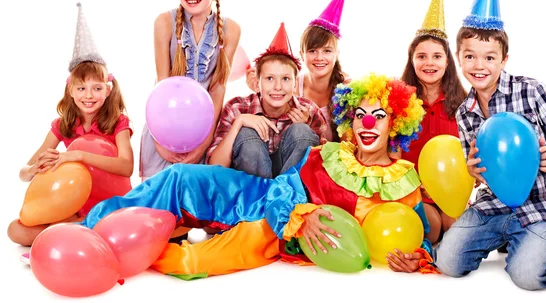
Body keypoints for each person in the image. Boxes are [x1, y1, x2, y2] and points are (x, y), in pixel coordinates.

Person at [78, 73, 437, 279]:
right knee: (181, 178)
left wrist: (415, 258)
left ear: (396, 125)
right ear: (350, 120)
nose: (367, 122)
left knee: (193, 263)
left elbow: (413, 233)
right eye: (359, 114)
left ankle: (121, 246)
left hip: (269, 234)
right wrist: (302, 214)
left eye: (379, 115)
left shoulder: (403, 180)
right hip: (258, 197)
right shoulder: (329, 154)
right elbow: (285, 186)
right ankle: (89, 228)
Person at [435, 0, 546, 290]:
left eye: (489, 57)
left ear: (504, 58)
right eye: (470, 56)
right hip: (497, 204)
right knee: (448, 261)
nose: (479, 65)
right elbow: (478, 166)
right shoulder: (465, 112)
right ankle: (516, 238)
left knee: (529, 277)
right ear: (459, 58)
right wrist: (473, 171)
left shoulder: (532, 91)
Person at [7, 4, 134, 247]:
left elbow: (126, 167)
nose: (89, 95)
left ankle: (80, 232)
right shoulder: (63, 125)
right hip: (76, 206)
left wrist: (77, 155)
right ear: (71, 90)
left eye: (97, 88)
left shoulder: (118, 122)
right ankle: (78, 230)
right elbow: (25, 170)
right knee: (16, 231)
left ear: (107, 91)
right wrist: (33, 170)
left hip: (112, 204)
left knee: (109, 226)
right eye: (82, 88)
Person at [140, 0, 241, 180]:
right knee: (159, 207)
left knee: (194, 208)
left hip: (202, 132)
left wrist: (206, 141)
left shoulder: (230, 29)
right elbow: (162, 84)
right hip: (164, 128)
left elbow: (218, 87)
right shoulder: (164, 22)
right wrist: (160, 140)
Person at [206, 22, 327, 178]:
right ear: (257, 82)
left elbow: (324, 167)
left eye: (285, 79)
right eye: (269, 78)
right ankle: (259, 198)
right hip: (250, 192)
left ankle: (283, 198)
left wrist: (307, 129)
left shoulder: (309, 110)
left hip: (290, 193)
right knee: (246, 132)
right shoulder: (237, 107)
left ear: (295, 83)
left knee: (302, 131)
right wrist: (239, 123)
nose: (278, 87)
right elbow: (214, 167)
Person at [400, 0, 467, 243]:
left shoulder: (464, 104)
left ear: (448, 61)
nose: (429, 62)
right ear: (412, 60)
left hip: (453, 191)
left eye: (437, 56)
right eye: (421, 56)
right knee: (432, 227)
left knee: (456, 227)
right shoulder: (400, 102)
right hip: (413, 191)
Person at [246, 0, 351, 141]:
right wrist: (259, 88)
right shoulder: (293, 85)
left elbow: (350, 142)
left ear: (337, 53)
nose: (319, 58)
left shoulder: (346, 88)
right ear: (302, 54)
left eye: (327, 51)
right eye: (313, 51)